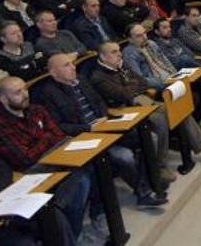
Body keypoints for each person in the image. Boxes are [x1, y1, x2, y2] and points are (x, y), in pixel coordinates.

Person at [37, 53, 168, 208]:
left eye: (72, 63)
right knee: (125, 156)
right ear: (53, 72)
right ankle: (144, 194)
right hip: (85, 136)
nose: (73, 67)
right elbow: (60, 126)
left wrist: (105, 117)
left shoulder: (82, 80)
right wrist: (89, 127)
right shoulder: (48, 93)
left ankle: (151, 180)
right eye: (66, 65)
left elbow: (99, 102)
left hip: (106, 127)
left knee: (149, 137)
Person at [91, 41, 201, 170]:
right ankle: (160, 165)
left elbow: (143, 82)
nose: (119, 54)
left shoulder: (121, 66)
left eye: (118, 50)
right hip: (124, 110)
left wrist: (132, 86)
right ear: (103, 57)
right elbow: (123, 95)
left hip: (142, 101)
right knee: (160, 120)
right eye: (114, 52)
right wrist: (133, 85)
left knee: (177, 109)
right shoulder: (98, 77)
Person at [0, 77, 96, 243]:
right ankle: (59, 221)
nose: (25, 95)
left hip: (56, 157)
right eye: (17, 92)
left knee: (85, 172)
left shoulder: (37, 110)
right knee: (79, 180)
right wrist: (47, 138)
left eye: (25, 89)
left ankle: (65, 219)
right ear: (3, 99)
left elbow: (59, 136)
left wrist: (41, 142)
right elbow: (24, 159)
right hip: (29, 173)